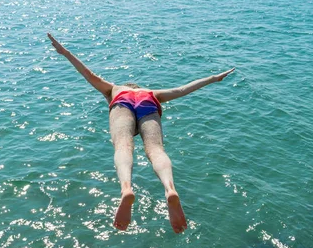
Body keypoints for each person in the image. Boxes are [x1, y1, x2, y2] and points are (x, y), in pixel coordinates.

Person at [48, 33, 234, 233]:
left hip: (121, 104)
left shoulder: (114, 89)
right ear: (138, 87)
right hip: (149, 104)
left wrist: (65, 52)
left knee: (123, 146)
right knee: (155, 150)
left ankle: (126, 188)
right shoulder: (151, 92)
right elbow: (182, 89)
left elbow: (89, 74)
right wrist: (213, 78)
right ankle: (170, 188)